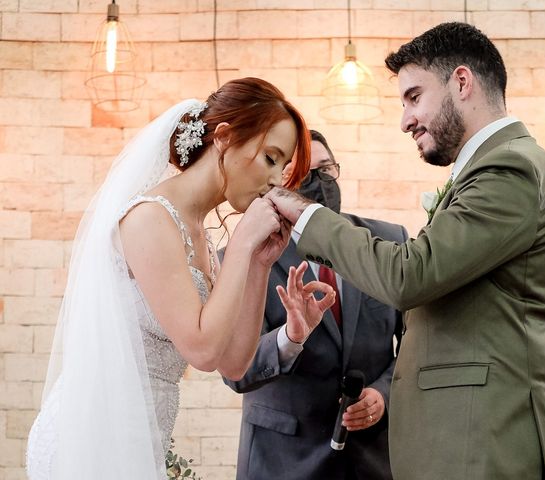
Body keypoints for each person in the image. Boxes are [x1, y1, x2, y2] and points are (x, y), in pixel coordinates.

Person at [266, 22, 545, 480]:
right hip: (464, 442)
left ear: (462, 82)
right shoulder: (492, 170)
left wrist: (304, 212)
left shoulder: (510, 169)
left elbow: (409, 276)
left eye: (414, 96)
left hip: (488, 443)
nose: (405, 120)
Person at [25, 78, 336, 479]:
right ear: (224, 138)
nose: (276, 180)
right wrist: (242, 243)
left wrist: (258, 263)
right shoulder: (149, 218)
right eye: (271, 158)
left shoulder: (202, 237)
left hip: (139, 439)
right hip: (90, 436)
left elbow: (233, 362)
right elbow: (202, 350)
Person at [223, 130, 408, 480]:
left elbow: (415, 342)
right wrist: (290, 338)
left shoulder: (388, 242)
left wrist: (384, 394)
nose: (320, 181)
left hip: (370, 460)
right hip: (281, 460)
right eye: (307, 173)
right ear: (279, 183)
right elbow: (236, 373)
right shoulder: (242, 256)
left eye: (327, 169)